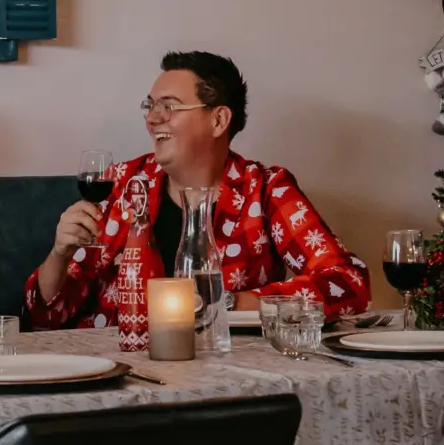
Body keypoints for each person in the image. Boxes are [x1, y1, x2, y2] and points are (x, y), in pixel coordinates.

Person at [24, 51, 371, 330]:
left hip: (225, 372)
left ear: (219, 120)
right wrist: (60, 253)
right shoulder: (121, 184)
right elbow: (47, 316)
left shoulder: (265, 190)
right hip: (119, 369)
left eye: (169, 106)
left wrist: (225, 304)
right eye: (150, 106)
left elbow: (348, 283)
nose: (152, 118)